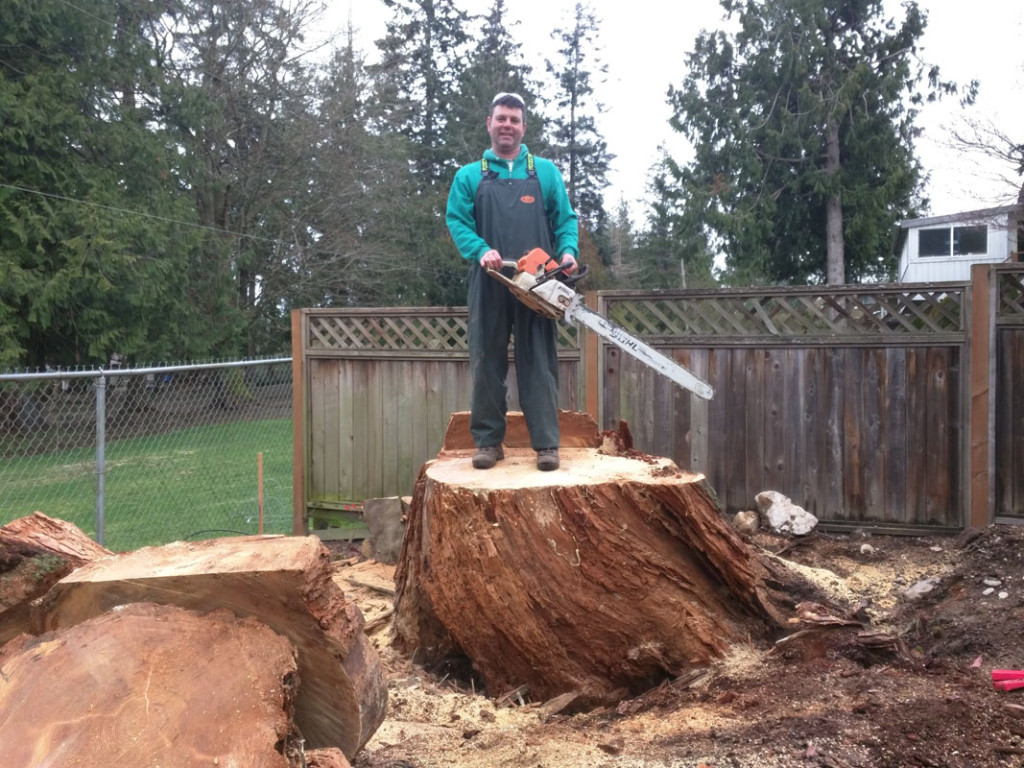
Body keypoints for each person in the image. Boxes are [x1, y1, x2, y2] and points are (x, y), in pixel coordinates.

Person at [446, 92, 580, 471]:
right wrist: (479, 249)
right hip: (490, 278)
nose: (507, 125)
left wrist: (567, 252)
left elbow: (565, 220)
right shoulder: (470, 175)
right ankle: (488, 442)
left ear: (523, 127)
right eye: (501, 118)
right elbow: (457, 221)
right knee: (486, 359)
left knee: (538, 359)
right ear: (489, 123)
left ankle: (547, 445)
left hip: (537, 283)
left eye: (514, 120)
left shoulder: (545, 172)